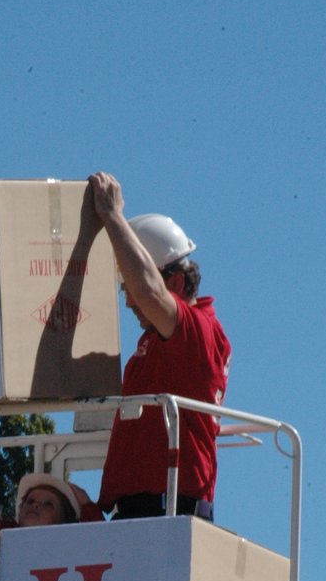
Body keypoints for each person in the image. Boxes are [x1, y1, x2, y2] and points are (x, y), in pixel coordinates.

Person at [87, 171, 232, 520]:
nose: (130, 303)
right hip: (147, 510)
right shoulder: (166, 340)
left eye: (132, 291)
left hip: (167, 510)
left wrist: (111, 215)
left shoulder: (196, 331)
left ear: (177, 282)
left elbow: (151, 292)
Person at [0, 416, 102, 529]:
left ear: (65, 521)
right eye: (30, 501)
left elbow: (101, 541)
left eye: (48, 504)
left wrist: (88, 508)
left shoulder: (74, 546)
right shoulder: (4, 534)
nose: (35, 505)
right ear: (20, 511)